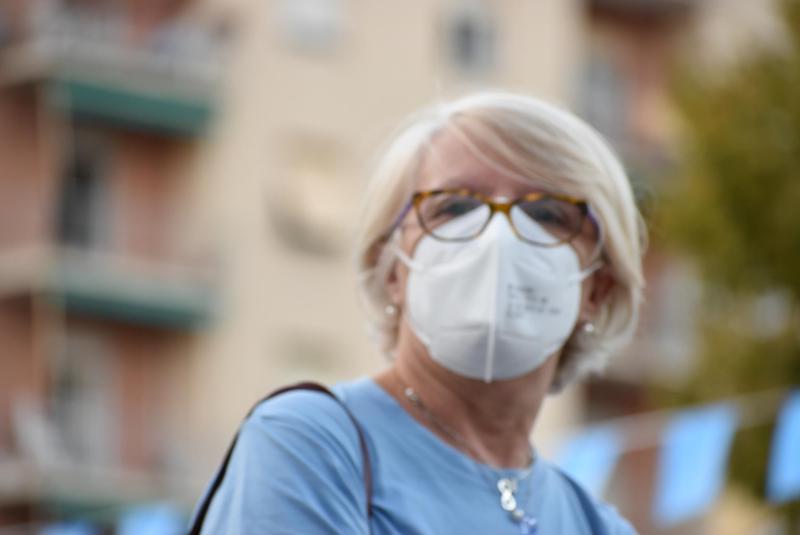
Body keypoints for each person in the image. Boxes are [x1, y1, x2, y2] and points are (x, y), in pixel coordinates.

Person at [194, 92, 645, 534]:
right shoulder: (310, 444)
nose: (498, 238)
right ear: (392, 267)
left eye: (547, 214)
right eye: (456, 206)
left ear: (597, 288)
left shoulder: (596, 524)